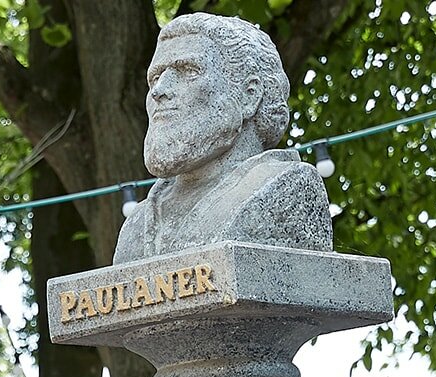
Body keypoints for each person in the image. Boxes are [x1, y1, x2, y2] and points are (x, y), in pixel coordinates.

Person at [114, 13, 335, 261]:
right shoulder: (138, 223)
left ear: (249, 95)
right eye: (155, 78)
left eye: (188, 71)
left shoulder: (281, 189)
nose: (159, 91)